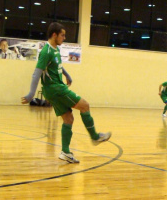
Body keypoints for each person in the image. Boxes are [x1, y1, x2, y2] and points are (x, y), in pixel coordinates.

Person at [21, 22, 111, 163]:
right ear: (54, 35)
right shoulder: (47, 51)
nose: (64, 37)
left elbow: (56, 66)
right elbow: (36, 73)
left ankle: (65, 152)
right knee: (85, 106)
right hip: (55, 89)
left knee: (68, 119)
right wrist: (31, 93)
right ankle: (94, 136)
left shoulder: (55, 49)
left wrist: (67, 75)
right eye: (62, 35)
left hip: (54, 89)